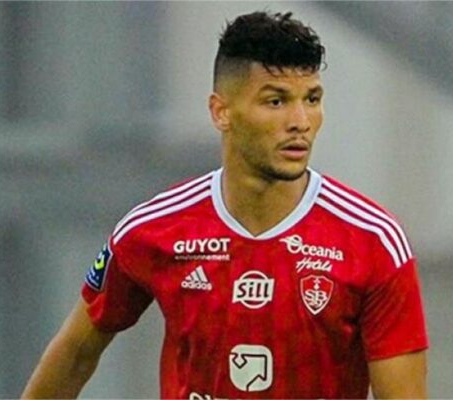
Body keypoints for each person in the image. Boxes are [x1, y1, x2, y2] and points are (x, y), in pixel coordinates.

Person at [21, 11, 428, 399]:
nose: (300, 121)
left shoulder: (373, 241)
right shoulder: (153, 230)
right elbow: (75, 353)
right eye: (276, 101)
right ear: (221, 112)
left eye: (312, 98)